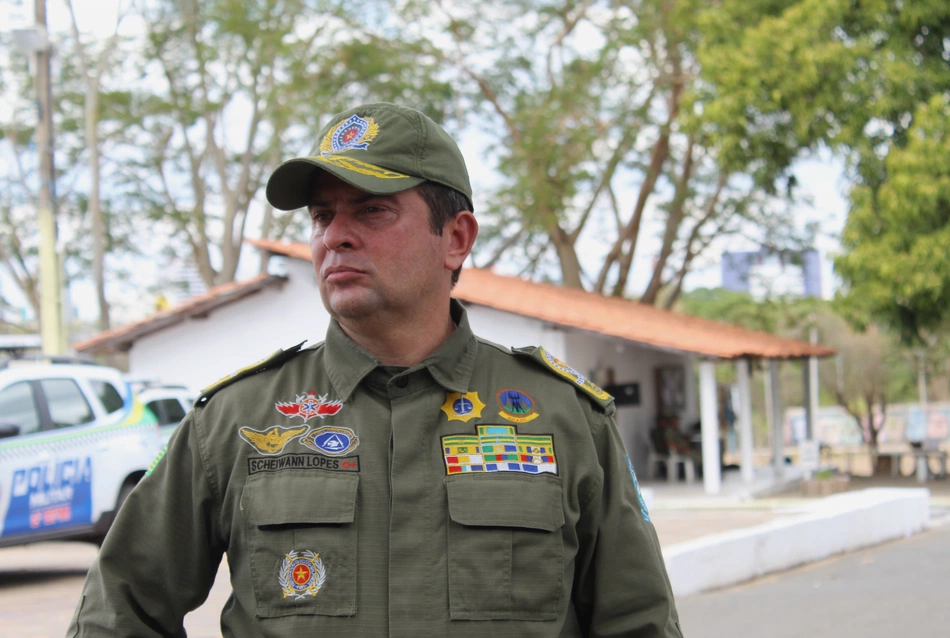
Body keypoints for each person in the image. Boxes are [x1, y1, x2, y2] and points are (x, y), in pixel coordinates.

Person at [68, 103, 683, 637]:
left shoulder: (565, 420)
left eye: (371, 212)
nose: (334, 236)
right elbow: (118, 610)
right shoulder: (233, 421)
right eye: (321, 215)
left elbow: (638, 623)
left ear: (456, 238)